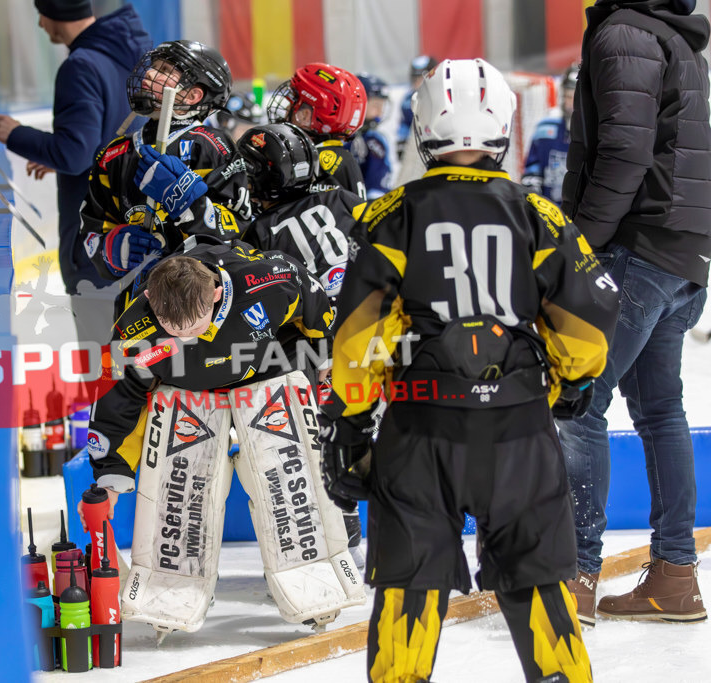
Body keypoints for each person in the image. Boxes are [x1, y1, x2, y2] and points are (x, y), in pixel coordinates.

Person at [320, 58, 619, 682]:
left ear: (423, 124)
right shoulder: (539, 214)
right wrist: (571, 384)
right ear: (504, 126)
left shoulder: (389, 216)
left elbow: (358, 339)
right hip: (519, 433)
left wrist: (349, 426)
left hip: (420, 433)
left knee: (408, 586)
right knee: (540, 586)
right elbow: (589, 322)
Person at [78, 238, 365, 638]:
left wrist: (331, 360)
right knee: (182, 489)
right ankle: (175, 582)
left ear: (216, 294)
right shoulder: (134, 330)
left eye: (195, 327)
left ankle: (316, 569)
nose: (184, 338)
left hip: (266, 376)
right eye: (173, 331)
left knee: (288, 477)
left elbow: (319, 309)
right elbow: (114, 401)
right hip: (186, 394)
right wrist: (108, 475)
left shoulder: (269, 278)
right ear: (148, 300)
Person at [558, 0, 711, 628]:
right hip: (682, 252)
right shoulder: (675, 36)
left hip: (636, 248)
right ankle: (676, 576)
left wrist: (579, 245)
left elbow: (623, 152)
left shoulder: (625, 32)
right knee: (659, 410)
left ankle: (574, 577)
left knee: (577, 399)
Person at [237, 122, 369, 566]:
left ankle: (334, 542)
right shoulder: (344, 199)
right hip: (372, 336)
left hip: (312, 351)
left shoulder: (257, 232)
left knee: (315, 446)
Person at [0, 1, 151, 295]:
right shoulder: (132, 56)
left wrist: (16, 134)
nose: (39, 24)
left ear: (55, 14)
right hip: (139, 231)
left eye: (41, 14)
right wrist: (57, 154)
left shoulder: (81, 66)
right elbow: (117, 134)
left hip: (98, 243)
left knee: (101, 339)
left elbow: (74, 155)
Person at [79, 40, 252, 296]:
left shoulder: (212, 146)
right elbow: (93, 227)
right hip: (141, 298)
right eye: (153, 67)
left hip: (206, 302)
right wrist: (111, 249)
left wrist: (190, 204)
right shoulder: (114, 154)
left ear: (194, 95)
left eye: (164, 70)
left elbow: (241, 228)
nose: (149, 74)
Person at [267, 63, 368, 199]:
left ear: (305, 116)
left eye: (293, 100)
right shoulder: (341, 159)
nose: (286, 110)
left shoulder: (311, 164)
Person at [521, 64, 578, 203]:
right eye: (567, 96)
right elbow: (532, 171)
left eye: (575, 97)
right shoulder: (545, 129)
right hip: (549, 214)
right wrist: (535, 205)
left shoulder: (598, 134)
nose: (570, 103)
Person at [350, 74, 393, 199]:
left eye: (382, 106)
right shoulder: (338, 136)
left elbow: (377, 191)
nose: (380, 113)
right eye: (376, 106)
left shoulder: (374, 141)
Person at [395, 54, 436, 161]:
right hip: (415, 147)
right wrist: (402, 141)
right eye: (415, 79)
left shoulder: (439, 99)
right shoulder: (408, 100)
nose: (418, 83)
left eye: (421, 78)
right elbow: (404, 123)